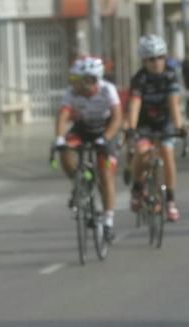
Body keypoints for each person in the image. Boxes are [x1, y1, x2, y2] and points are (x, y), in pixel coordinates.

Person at [53, 56, 122, 241]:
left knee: (106, 174)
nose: (72, 83)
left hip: (105, 130)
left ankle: (108, 220)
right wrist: (59, 138)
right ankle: (80, 183)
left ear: (90, 80)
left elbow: (117, 118)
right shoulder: (72, 93)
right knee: (66, 150)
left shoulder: (108, 90)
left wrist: (106, 138)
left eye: (76, 79)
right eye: (72, 79)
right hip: (83, 129)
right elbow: (63, 115)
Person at [125, 34, 186, 223]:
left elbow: (174, 104)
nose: (157, 63)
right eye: (152, 59)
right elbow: (134, 105)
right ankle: (137, 188)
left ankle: (170, 201)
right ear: (144, 60)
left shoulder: (170, 76)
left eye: (161, 57)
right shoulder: (139, 79)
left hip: (164, 122)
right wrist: (131, 128)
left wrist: (179, 127)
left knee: (167, 152)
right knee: (142, 151)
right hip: (144, 123)